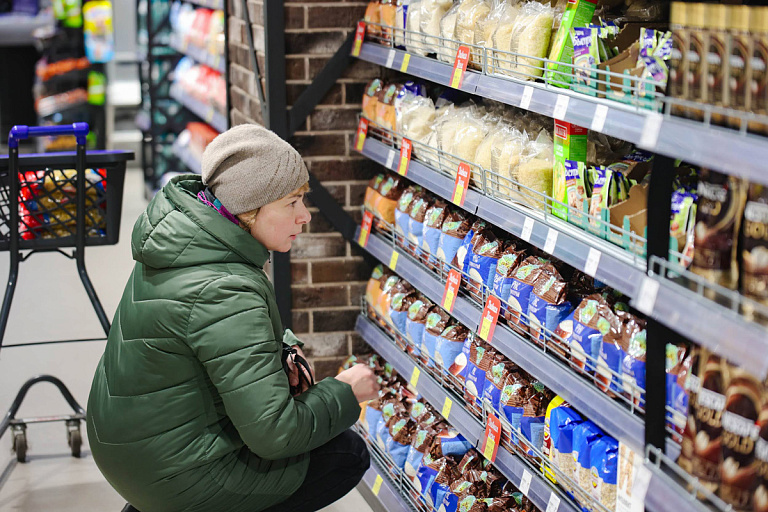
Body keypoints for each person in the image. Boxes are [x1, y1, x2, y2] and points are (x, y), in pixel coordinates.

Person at [87, 124, 380, 512]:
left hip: (132, 452)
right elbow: (277, 435)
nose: (305, 216)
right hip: (174, 473)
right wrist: (346, 392)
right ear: (249, 209)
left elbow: (204, 347)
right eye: (292, 202)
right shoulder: (226, 289)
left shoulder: (183, 242)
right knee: (346, 454)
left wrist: (281, 353)